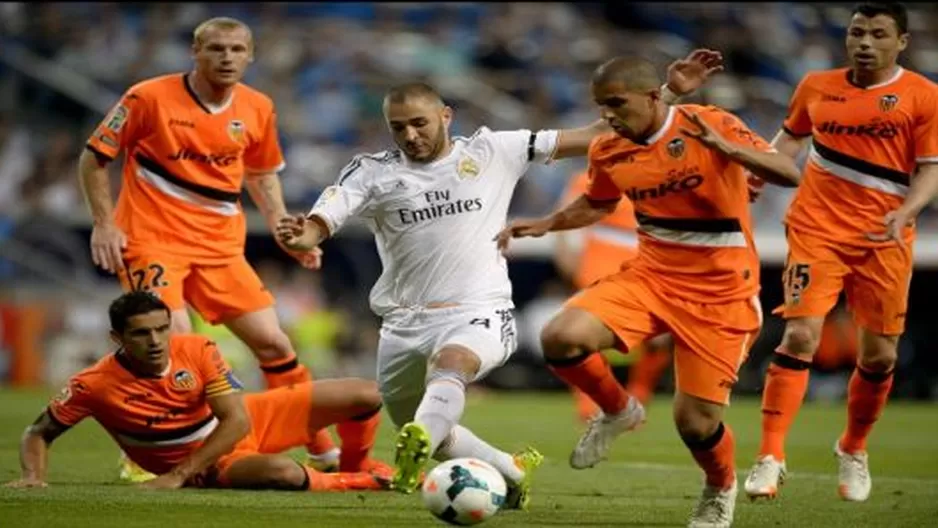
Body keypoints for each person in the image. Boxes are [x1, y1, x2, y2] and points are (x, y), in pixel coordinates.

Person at [275, 50, 725, 510]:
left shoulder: (494, 150)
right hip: (402, 323)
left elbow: (598, 132)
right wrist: (301, 236)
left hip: (479, 310)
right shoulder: (373, 171)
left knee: (451, 365)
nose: (410, 135)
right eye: (398, 127)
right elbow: (321, 220)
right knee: (429, 425)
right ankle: (509, 468)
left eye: (420, 123)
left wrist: (667, 94)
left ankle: (416, 449)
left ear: (445, 116)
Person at [496, 56, 801, 527]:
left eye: (617, 103)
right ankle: (618, 410)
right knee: (560, 335)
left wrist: (729, 150)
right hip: (651, 275)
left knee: (695, 424)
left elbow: (787, 170)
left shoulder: (709, 123)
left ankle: (719, 487)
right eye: (601, 106)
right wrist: (548, 224)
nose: (610, 115)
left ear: (653, 96)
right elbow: (595, 204)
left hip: (720, 291)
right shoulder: (609, 150)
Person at [76, 17, 350, 478]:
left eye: (237, 50)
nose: (227, 58)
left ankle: (320, 447)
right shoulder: (148, 97)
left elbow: (262, 175)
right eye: (217, 49)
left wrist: (286, 231)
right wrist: (103, 223)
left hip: (220, 246)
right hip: (152, 239)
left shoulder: (258, 107)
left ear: (251, 56)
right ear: (195, 52)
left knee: (274, 342)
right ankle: (151, 455)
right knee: (174, 343)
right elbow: (94, 158)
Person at [743, 2, 938, 503]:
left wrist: (906, 212)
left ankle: (853, 447)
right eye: (856, 33)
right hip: (817, 230)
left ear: (902, 42)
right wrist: (757, 175)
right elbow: (786, 142)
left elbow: (932, 168)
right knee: (801, 334)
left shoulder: (924, 96)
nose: (865, 42)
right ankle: (770, 456)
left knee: (880, 353)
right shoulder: (815, 85)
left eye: (877, 34)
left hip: (884, 237)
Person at [3, 292, 390, 492]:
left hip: (242, 422)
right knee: (283, 473)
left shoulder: (196, 348)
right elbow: (39, 432)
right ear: (116, 338)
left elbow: (237, 420)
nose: (156, 341)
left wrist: (175, 475)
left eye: (161, 329)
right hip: (208, 463)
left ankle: (354, 465)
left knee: (366, 394)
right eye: (141, 333)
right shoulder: (92, 384)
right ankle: (361, 483)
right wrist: (33, 474)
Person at [553, 171, 674, 421]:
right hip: (600, 260)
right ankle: (588, 402)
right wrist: (569, 262)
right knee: (585, 336)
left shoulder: (666, 172)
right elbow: (566, 220)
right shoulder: (590, 175)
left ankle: (639, 394)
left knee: (659, 336)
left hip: (651, 259)